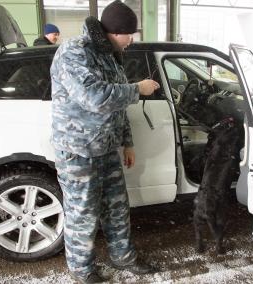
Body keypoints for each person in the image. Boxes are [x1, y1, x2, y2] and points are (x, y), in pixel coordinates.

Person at [50, 1, 160, 283]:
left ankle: (122, 257)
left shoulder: (110, 55)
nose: (132, 39)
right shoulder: (75, 51)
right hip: (79, 151)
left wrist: (128, 142)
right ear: (116, 31)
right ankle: (82, 270)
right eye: (130, 33)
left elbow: (116, 107)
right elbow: (95, 97)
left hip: (107, 149)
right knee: (82, 213)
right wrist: (138, 89)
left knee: (117, 209)